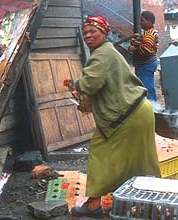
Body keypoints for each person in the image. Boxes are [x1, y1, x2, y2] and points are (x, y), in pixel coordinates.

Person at [68, 16, 161, 218]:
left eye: (93, 31)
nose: (88, 36)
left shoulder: (102, 54)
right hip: (138, 111)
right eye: (85, 32)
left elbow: (90, 84)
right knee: (140, 160)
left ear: (104, 32)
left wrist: (76, 85)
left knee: (100, 152)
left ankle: (93, 206)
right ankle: (149, 202)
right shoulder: (108, 51)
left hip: (126, 115)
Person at [128, 10, 159, 102]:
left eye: (142, 20)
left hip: (146, 64)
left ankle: (153, 108)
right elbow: (141, 42)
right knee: (144, 86)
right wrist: (135, 41)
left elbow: (145, 49)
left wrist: (133, 49)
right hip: (144, 64)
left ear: (149, 21)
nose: (140, 23)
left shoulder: (150, 34)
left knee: (147, 88)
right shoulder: (147, 33)